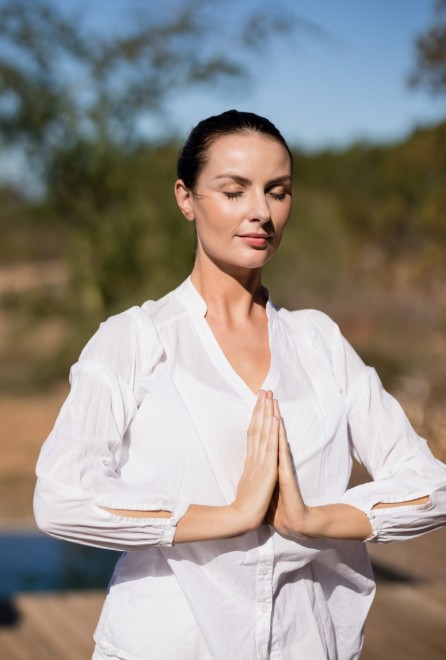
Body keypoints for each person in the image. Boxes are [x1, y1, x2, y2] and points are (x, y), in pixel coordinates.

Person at [34, 110, 446, 660]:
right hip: (168, 644)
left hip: (308, 642)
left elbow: (431, 487)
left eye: (278, 192)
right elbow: (62, 497)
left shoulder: (318, 342)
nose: (261, 213)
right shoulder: (134, 340)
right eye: (234, 191)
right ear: (186, 198)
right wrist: (229, 516)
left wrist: (313, 519)